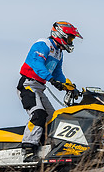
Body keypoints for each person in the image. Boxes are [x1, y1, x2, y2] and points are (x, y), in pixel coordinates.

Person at [17, 21, 83, 162]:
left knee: (52, 119)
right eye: (70, 38)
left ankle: (44, 148)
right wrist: (51, 79)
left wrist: (69, 86)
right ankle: (28, 149)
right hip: (28, 85)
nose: (71, 41)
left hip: (40, 88)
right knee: (38, 113)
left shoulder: (58, 52)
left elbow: (58, 73)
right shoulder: (43, 44)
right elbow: (37, 64)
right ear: (60, 34)